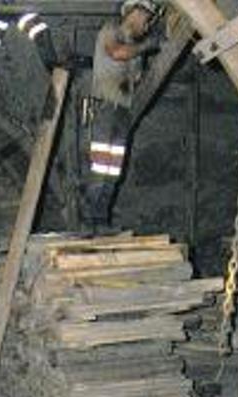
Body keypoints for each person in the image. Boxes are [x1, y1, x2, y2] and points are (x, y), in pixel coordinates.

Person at [84, 0, 160, 229]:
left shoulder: (135, 49)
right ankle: (88, 223)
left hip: (122, 112)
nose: (146, 27)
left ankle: (101, 221)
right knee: (99, 171)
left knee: (112, 172)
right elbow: (117, 53)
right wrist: (148, 46)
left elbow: (136, 79)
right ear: (134, 12)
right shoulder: (110, 31)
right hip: (105, 109)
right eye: (146, 20)